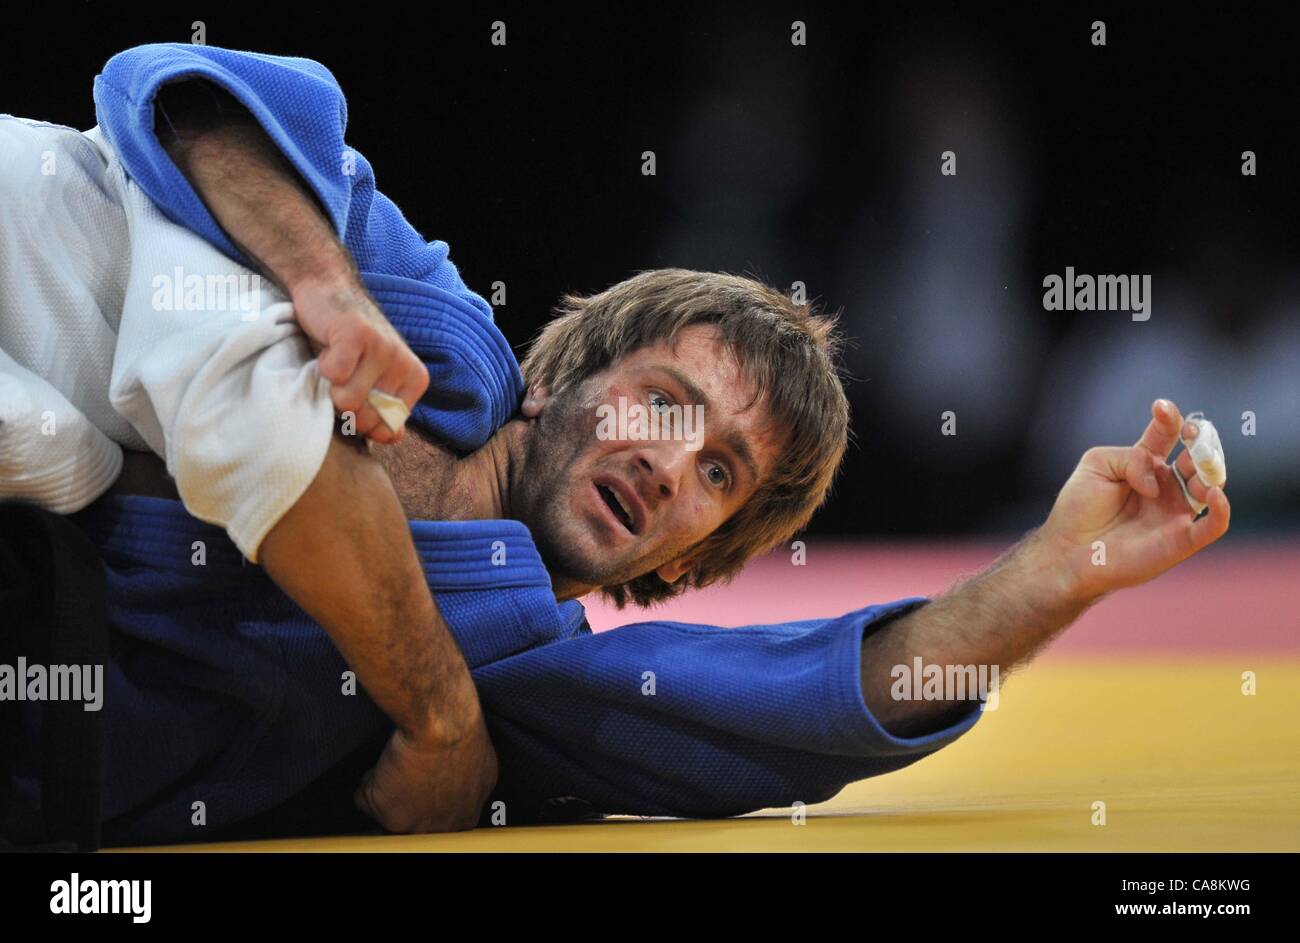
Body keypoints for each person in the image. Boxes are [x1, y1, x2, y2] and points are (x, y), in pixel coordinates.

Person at [0, 43, 1231, 846]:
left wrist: (1055, 571)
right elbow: (193, 94)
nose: (667, 462)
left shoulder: (532, 672)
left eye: (718, 477)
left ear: (691, 565)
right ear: (555, 384)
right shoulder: (436, 329)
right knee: (111, 395)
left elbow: (800, 697)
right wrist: (319, 279)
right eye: (662, 401)